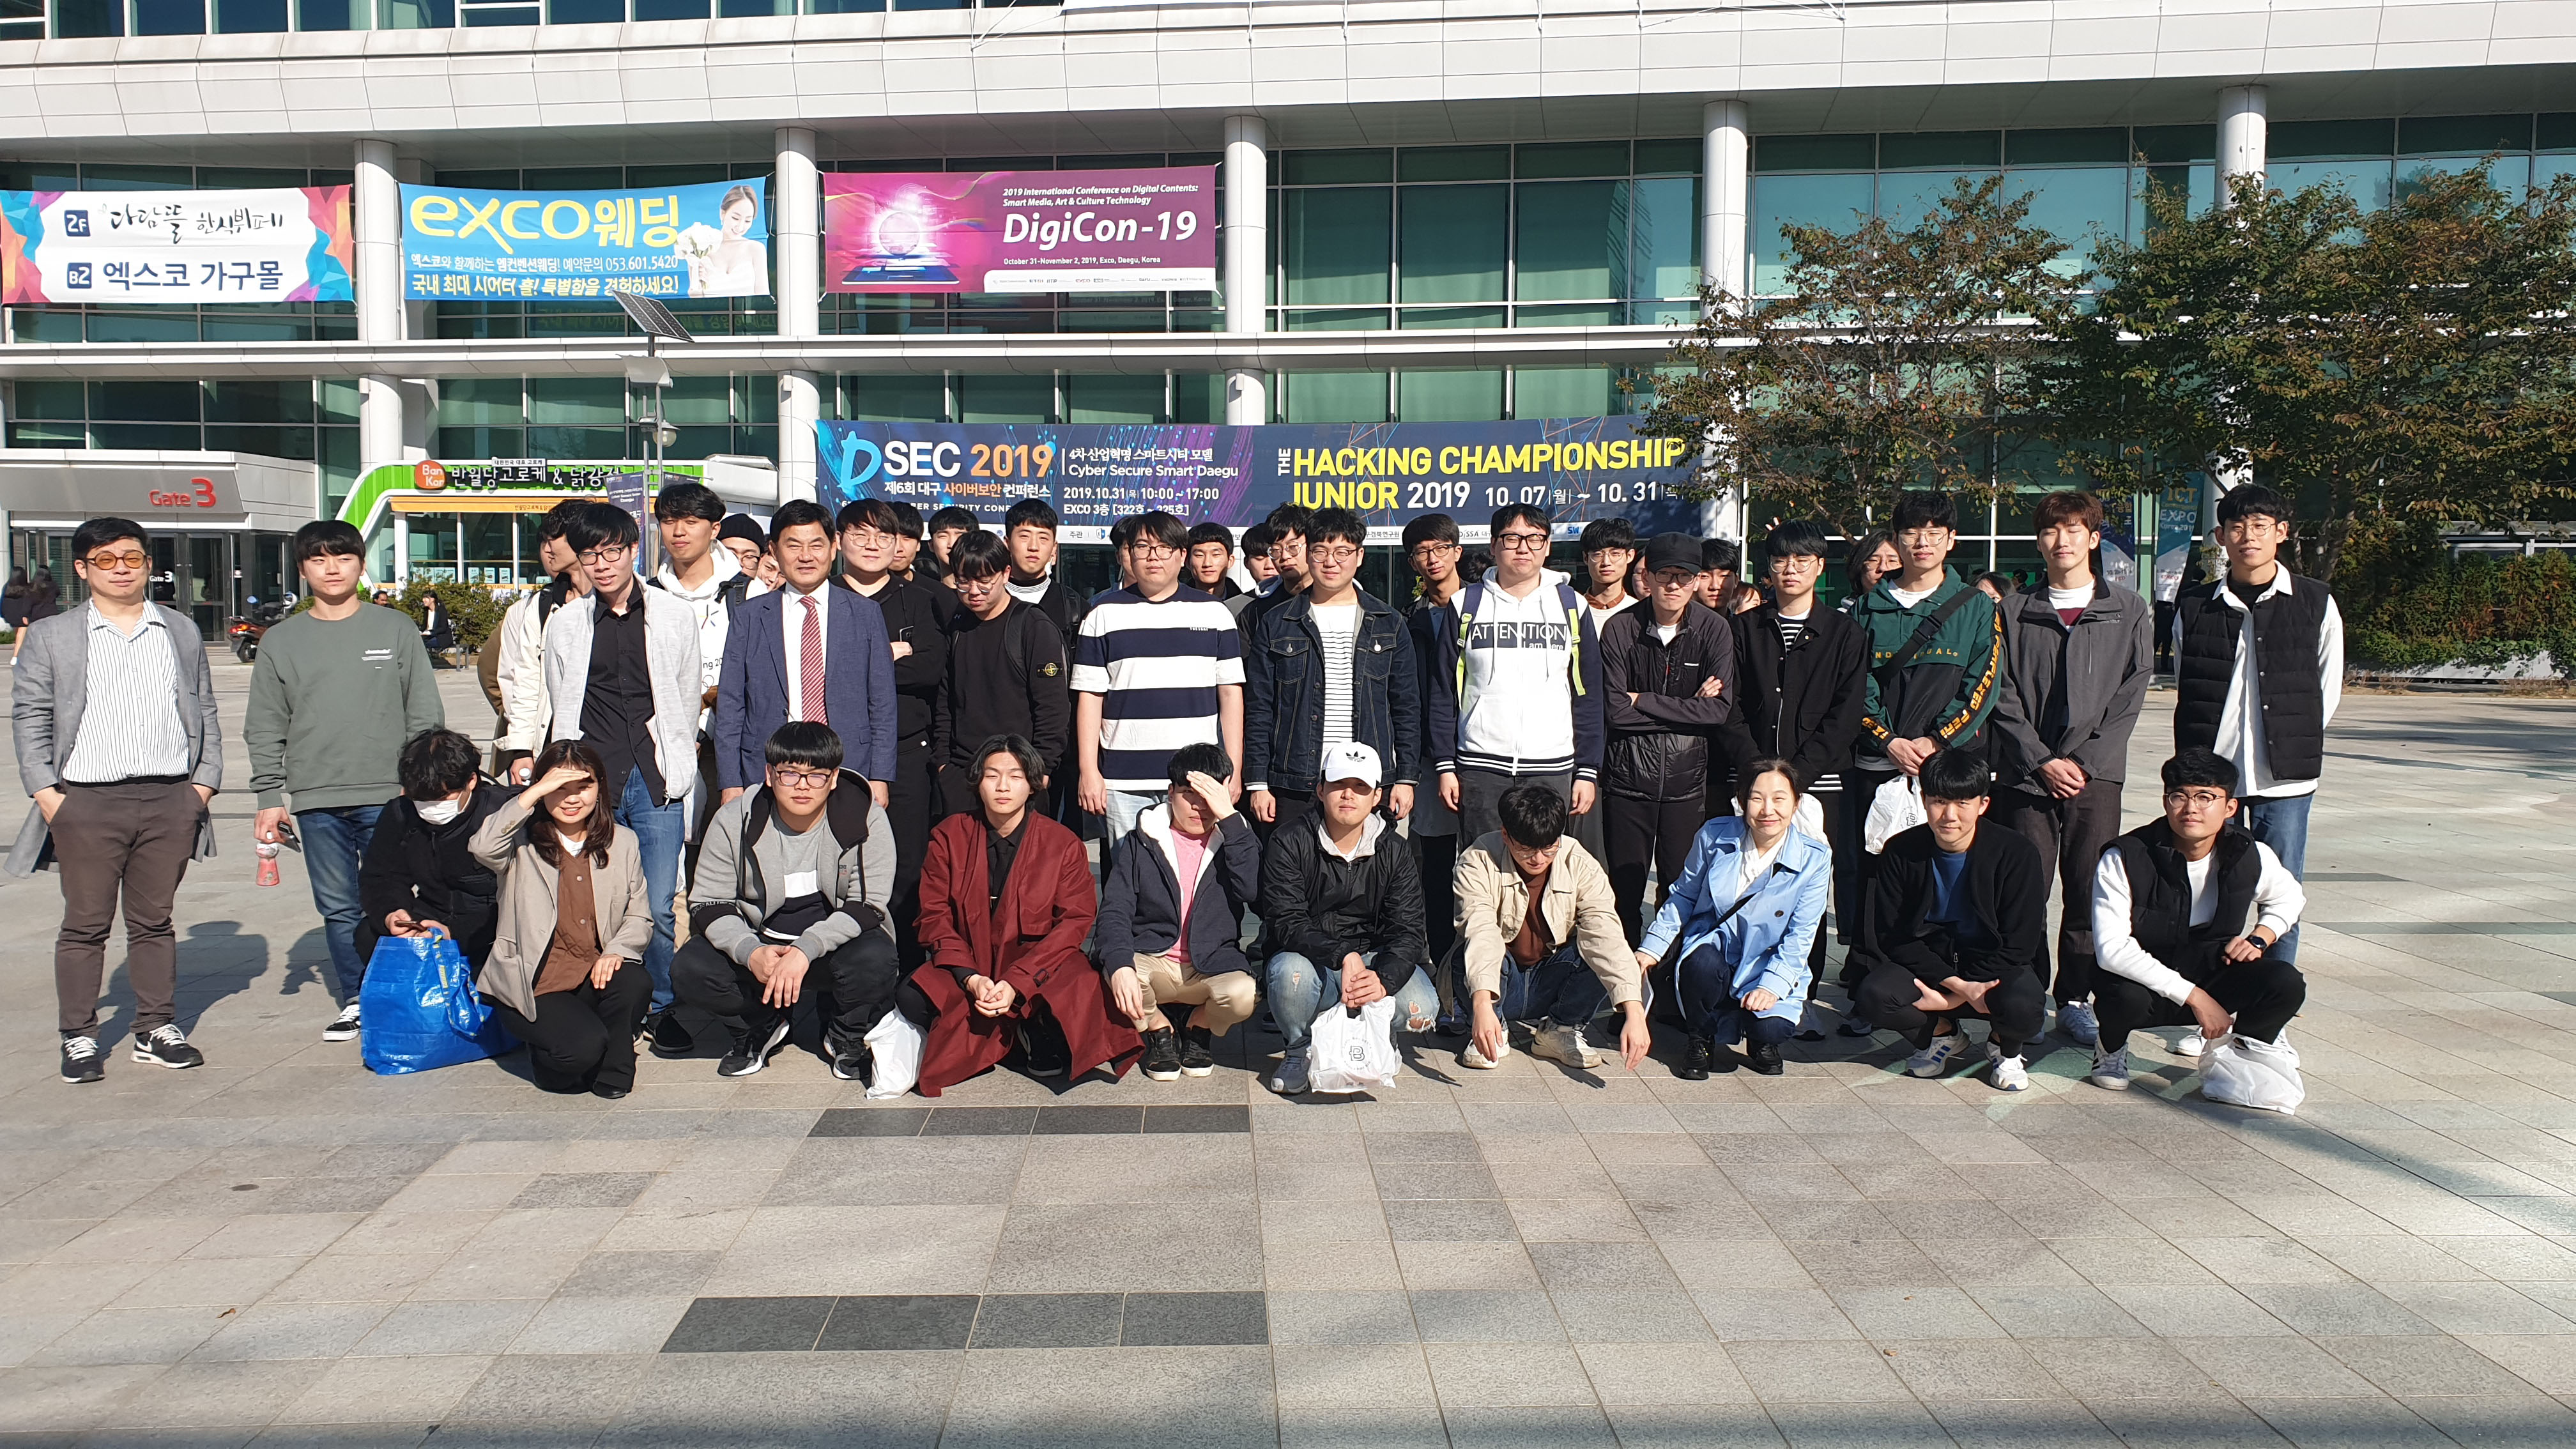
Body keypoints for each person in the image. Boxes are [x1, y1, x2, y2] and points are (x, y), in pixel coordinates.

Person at [11, 518, 222, 1084]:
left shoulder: (178, 630)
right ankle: (79, 1036)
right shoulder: (54, 635)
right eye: (105, 560)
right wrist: (47, 795)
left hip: (169, 797)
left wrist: (202, 786)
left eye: (131, 558)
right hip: (85, 802)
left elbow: (203, 707)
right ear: (82, 569)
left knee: (154, 922)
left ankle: (155, 1027)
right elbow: (30, 715)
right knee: (85, 924)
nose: (121, 569)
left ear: (149, 564)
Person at [250, 519, 445, 1043]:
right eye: (318, 559)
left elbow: (424, 710)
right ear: (302, 569)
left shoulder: (394, 629)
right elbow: (265, 722)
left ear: (361, 564)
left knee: (398, 896)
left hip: (390, 794)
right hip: (316, 797)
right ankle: (358, 997)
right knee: (338, 906)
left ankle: (403, 990)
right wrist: (269, 795)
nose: (332, 569)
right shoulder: (282, 641)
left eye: (343, 558)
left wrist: (419, 780)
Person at [1986, 491, 2155, 1048]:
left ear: (2094, 538)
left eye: (2074, 530)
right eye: (2051, 531)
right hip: (2026, 776)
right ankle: (2027, 993)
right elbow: (2000, 693)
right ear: (2039, 542)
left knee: (2089, 889)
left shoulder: (2127, 609)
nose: (2062, 541)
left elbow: (2131, 694)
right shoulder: (2014, 610)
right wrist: (2040, 759)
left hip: (2095, 778)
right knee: (2025, 890)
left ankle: (2077, 997)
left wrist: (2082, 763)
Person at [540, 502, 704, 1018]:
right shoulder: (566, 624)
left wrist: (678, 760)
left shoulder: (673, 615)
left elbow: (687, 696)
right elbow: (560, 700)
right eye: (591, 555)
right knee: (599, 901)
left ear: (634, 550)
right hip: (594, 782)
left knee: (657, 903)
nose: (603, 565)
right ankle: (610, 1000)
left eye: (613, 552)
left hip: (656, 777)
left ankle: (661, 1005)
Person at [2172, 483, 2342, 979]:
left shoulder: (2315, 602)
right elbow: (2187, 680)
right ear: (2221, 536)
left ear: (2281, 532)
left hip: (2283, 775)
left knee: (2281, 889)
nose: (2249, 536)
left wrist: (2290, 739)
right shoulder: (2195, 605)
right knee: (2206, 886)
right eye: (2238, 527)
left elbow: (2326, 688)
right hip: (2211, 775)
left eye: (2261, 526)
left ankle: (2272, 1000)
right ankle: (2208, 996)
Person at [676, 721, 903, 1082]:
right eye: (790, 773)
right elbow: (709, 901)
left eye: (816, 775)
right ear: (770, 775)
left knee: (877, 958)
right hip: (762, 944)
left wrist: (805, 949)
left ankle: (845, 1034)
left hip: (831, 946)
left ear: (833, 778)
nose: (802, 786)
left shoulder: (865, 816)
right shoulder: (733, 819)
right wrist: (750, 951)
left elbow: (869, 903)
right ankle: (759, 1025)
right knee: (690, 967)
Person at [914, 734, 1140, 1094]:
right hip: (971, 961)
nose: (1003, 786)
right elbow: (933, 914)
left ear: (1033, 784)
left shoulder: (1062, 843)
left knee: (1083, 986)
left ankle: (1029, 1026)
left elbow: (1074, 923)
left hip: (1037, 965)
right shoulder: (949, 835)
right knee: (913, 996)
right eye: (992, 775)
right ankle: (1015, 1032)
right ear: (978, 782)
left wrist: (1018, 982)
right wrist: (971, 978)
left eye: (1015, 776)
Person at [1845, 491, 2002, 980]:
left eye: (1934, 532)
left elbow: (1983, 684)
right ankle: (1871, 974)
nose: (1923, 542)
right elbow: (1854, 684)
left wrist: (1936, 742)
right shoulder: (1868, 607)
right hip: (1879, 766)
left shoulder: (1977, 606)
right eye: (1912, 532)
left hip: (1948, 770)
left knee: (1945, 869)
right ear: (1897, 540)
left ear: (1951, 540)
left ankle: (1943, 974)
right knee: (1876, 871)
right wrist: (1887, 740)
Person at [2087, 748, 2306, 1095]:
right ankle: (2110, 1049)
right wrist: (2198, 999)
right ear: (2166, 802)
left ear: (2230, 807)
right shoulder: (2125, 857)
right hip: (2146, 980)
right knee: (2122, 997)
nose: (2191, 808)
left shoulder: (2249, 852)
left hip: (2213, 968)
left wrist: (2260, 937)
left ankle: (2241, 1054)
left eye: (2206, 797)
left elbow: (2290, 897)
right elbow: (2113, 950)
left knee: (2285, 982)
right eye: (2179, 796)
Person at [1720, 521, 1868, 998]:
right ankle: (1737, 986)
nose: (1791, 569)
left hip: (1817, 785)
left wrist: (1794, 777)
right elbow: (1729, 706)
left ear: (1820, 566)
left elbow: (1846, 716)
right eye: (1781, 559)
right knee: (1744, 881)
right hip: (1752, 780)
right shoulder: (1744, 629)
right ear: (1768, 568)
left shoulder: (1844, 634)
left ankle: (1799, 994)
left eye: (1802, 560)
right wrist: (1757, 771)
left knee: (1806, 889)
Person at [1855, 747, 2047, 1091]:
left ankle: (2005, 1048)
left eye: (1963, 803)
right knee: (1874, 995)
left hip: (1994, 963)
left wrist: (1956, 995)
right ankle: (1941, 1034)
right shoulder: (1900, 851)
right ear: (1924, 800)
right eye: (1939, 802)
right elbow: (1893, 936)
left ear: (1983, 805)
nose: (1949, 816)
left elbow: (2021, 944)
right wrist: (1955, 985)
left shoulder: (2016, 853)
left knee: (2025, 1005)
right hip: (1932, 960)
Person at [470, 742, 656, 1098]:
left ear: (600, 787)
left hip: (591, 972)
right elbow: (482, 846)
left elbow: (639, 916)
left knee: (633, 980)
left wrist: (616, 951)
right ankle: (557, 1058)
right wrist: (533, 792)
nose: (572, 799)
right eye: (559, 788)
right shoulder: (519, 843)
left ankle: (615, 1071)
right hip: (535, 982)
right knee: (578, 1054)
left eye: (583, 787)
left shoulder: (623, 842)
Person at [1426, 503, 1606, 847]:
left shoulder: (1572, 605)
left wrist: (1587, 770)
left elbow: (1588, 694)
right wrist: (1445, 765)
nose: (1524, 548)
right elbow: (1442, 691)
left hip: (1552, 769)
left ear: (1547, 547)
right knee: (1481, 866)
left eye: (1535, 539)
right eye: (1512, 538)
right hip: (1480, 768)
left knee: (1544, 866)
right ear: (1494, 545)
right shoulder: (1465, 605)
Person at [1260, 742, 1434, 1096]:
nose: (1348, 795)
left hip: (1374, 958)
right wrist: (1342, 955)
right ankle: (1299, 1048)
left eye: (1360, 787)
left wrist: (1382, 979)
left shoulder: (1394, 850)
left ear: (1377, 796)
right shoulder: (1289, 841)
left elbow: (1409, 930)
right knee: (1288, 976)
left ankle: (1379, 1035)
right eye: (1339, 784)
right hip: (1313, 961)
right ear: (1320, 789)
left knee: (1423, 1008)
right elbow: (1286, 920)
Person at [1639, 759, 1832, 1078]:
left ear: (1797, 803)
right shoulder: (1714, 835)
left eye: (1779, 799)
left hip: (1766, 959)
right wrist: (1652, 948)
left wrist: (1772, 985)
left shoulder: (1815, 858)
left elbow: (1802, 933)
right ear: (1741, 801)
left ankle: (1761, 1040)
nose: (1768, 810)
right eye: (1756, 798)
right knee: (1699, 965)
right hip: (1714, 946)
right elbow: (1684, 895)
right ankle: (1700, 1037)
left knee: (1774, 1027)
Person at [1072, 510, 1246, 843]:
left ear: (1182, 556)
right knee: (1130, 870)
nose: (1153, 556)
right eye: (1143, 547)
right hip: (1123, 781)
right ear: (1129, 555)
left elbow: (1230, 696)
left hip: (1197, 778)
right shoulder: (1102, 615)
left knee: (1194, 870)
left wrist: (1233, 770)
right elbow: (1090, 697)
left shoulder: (1215, 614)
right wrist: (1089, 771)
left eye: (1164, 548)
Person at [1245, 506, 1418, 839]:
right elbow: (1260, 708)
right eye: (1320, 551)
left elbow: (1406, 707)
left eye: (1342, 552)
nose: (1330, 562)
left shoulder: (1389, 622)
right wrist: (1258, 783)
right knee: (1292, 866)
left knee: (1366, 867)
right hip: (1295, 778)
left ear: (1359, 556)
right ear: (1308, 555)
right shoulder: (1277, 622)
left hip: (1368, 778)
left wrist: (1406, 779)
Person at [1600, 532, 1736, 947]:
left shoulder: (1714, 629)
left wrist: (1643, 700)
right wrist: (1687, 708)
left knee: (1679, 890)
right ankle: (1623, 976)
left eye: (1684, 576)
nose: (1674, 585)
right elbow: (1614, 711)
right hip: (1626, 780)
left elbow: (1717, 710)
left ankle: (1670, 974)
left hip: (1686, 783)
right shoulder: (1620, 629)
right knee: (1623, 891)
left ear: (1696, 581)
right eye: (1665, 575)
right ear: (1647, 577)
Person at [1454, 782, 1649, 1073]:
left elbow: (1605, 934)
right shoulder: (1477, 859)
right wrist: (1482, 1005)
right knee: (1465, 957)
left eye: (1549, 848)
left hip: (1553, 975)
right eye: (1526, 849)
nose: (1538, 859)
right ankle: (1494, 1028)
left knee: (1596, 952)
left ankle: (1560, 1030)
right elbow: (1481, 931)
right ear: (1506, 835)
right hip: (1501, 979)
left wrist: (1635, 1012)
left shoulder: (1579, 862)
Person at [1095, 743, 1261, 1082]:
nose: (1199, 806)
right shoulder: (1143, 839)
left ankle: (1198, 1027)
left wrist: (1231, 820)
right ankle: (1159, 1029)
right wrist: (1120, 964)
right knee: (1116, 970)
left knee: (1244, 995)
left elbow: (1252, 892)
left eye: (1209, 795)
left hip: (1210, 964)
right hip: (1154, 959)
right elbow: (1115, 911)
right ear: (1171, 793)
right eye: (1189, 794)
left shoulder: (1235, 837)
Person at [714, 498, 898, 803]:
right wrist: (730, 781)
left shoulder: (865, 614)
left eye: (816, 545)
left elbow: (882, 703)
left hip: (848, 765)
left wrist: (880, 776)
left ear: (834, 547)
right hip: (769, 768)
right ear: (773, 550)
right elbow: (732, 703)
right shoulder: (750, 616)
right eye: (793, 546)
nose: (806, 556)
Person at [837, 498, 951, 966]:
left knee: (906, 868)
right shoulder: (821, 597)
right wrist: (891, 653)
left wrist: (857, 661)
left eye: (884, 536)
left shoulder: (923, 600)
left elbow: (930, 669)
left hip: (907, 752)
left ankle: (903, 973)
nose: (873, 545)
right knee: (838, 867)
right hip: (834, 755)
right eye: (860, 535)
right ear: (839, 540)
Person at [357, 728, 521, 973]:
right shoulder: (401, 813)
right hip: (431, 913)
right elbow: (381, 876)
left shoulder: (501, 811)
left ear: (471, 781)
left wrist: (454, 933)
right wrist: (393, 913)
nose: (432, 808)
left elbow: (521, 898)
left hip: (492, 924)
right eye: (422, 800)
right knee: (368, 935)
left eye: (443, 798)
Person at [938, 530, 1072, 819]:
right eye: (964, 581)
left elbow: (1053, 706)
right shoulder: (957, 626)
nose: (974, 591)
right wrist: (943, 765)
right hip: (963, 773)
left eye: (984, 581)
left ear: (1005, 573)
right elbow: (945, 699)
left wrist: (1042, 768)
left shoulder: (1033, 626)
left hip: (1019, 773)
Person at [647, 481, 749, 841]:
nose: (679, 531)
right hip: (663, 742)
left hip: (733, 742)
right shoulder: (648, 596)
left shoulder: (749, 593)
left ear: (715, 529)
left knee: (728, 844)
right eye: (669, 521)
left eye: (691, 521)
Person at [1402, 512, 1470, 992]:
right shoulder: (1411, 620)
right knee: (1437, 864)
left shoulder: (1485, 608)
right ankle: (1445, 966)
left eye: (1440, 549)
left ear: (1457, 552)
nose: (1432, 559)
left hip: (1486, 753)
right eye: (1422, 552)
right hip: (1432, 758)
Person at [493, 499, 592, 781]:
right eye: (544, 541)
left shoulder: (618, 601)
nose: (548, 549)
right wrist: (521, 748)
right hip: (548, 745)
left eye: (555, 539)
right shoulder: (538, 607)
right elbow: (519, 681)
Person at [1002, 496, 1084, 655]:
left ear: (1054, 548)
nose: (1034, 546)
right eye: (1024, 536)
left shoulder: (1075, 607)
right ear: (1007, 543)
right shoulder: (985, 599)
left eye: (1043, 538)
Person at [1236, 503, 1314, 644]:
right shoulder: (1255, 613)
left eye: (1293, 547)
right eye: (1276, 550)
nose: (1284, 556)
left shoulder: (1338, 602)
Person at [687, 183, 769, 297]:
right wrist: (697, 284)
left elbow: (763, 295)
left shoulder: (756, 249)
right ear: (723, 213)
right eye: (735, 218)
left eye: (748, 221)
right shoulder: (701, 248)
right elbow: (694, 295)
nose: (740, 227)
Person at [1577, 517, 1640, 638]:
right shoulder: (1573, 609)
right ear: (1586, 558)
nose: (1606, 562)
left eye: (1615, 554)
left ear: (1630, 556)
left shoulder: (1639, 613)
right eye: (1598, 554)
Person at [11, 567, 61, 664]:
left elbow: (28, 603)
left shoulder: (32, 587)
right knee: (51, 638)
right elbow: (58, 594)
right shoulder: (53, 586)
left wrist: (25, 615)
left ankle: (39, 658)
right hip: (52, 615)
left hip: (36, 616)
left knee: (37, 638)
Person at [1185, 521, 1243, 602]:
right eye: (1199, 555)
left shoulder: (1244, 606)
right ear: (1188, 562)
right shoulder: (1175, 605)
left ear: (1230, 561)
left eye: (1216, 555)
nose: (1207, 563)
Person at [1842, 529, 1898, 612]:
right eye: (1874, 560)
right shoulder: (1841, 618)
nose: (1883, 568)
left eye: (1892, 561)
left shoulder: (1915, 615)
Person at [925, 506, 979, 581]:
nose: (952, 544)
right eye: (943, 536)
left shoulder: (990, 587)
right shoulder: (921, 587)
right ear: (931, 545)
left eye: (960, 536)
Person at [718, 514, 770, 590]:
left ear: (760, 562)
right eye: (731, 555)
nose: (739, 564)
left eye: (749, 557)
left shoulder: (764, 595)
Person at [1696, 538, 1740, 616]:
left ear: (1736, 580)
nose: (1715, 586)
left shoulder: (1742, 623)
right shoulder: (1678, 623)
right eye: (1705, 576)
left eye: (1724, 576)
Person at [418, 590, 454, 662]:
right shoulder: (426, 611)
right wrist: (420, 631)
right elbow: (424, 626)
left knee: (422, 643)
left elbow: (443, 628)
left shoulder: (441, 610)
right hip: (428, 636)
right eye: (423, 598)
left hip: (441, 637)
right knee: (416, 640)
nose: (423, 600)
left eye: (426, 598)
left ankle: (427, 661)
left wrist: (431, 632)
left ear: (432, 599)